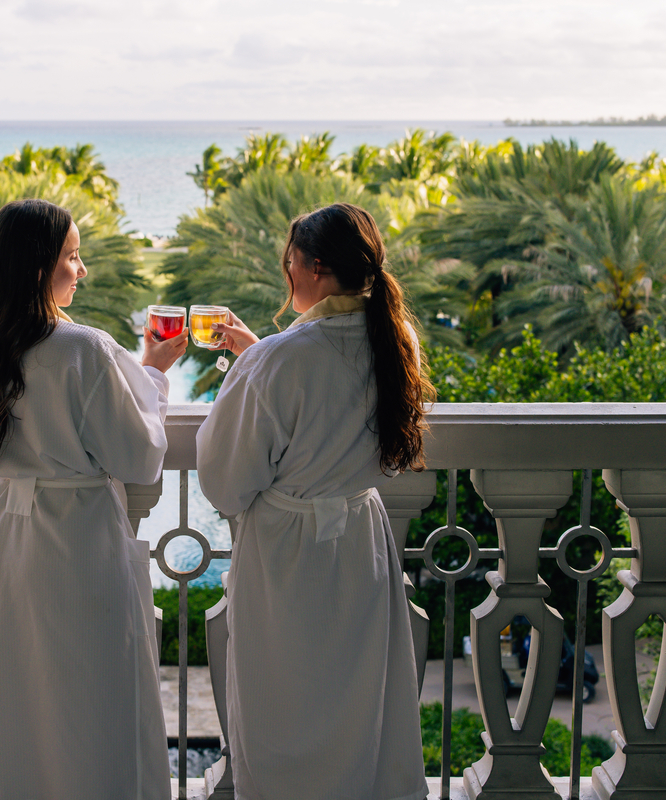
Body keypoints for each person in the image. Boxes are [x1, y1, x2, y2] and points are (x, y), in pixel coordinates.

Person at [0, 199, 187, 800]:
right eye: (72, 258)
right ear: (36, 268)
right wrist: (154, 374)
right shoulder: (83, 349)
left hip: (9, 530)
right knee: (92, 692)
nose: (83, 270)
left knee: (17, 688)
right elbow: (138, 456)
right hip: (77, 537)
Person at [195, 203, 432, 800]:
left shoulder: (278, 361)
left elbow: (225, 481)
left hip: (289, 555)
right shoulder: (394, 338)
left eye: (291, 263)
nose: (288, 276)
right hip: (358, 538)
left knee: (284, 706)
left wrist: (250, 364)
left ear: (315, 266)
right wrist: (261, 354)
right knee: (358, 700)